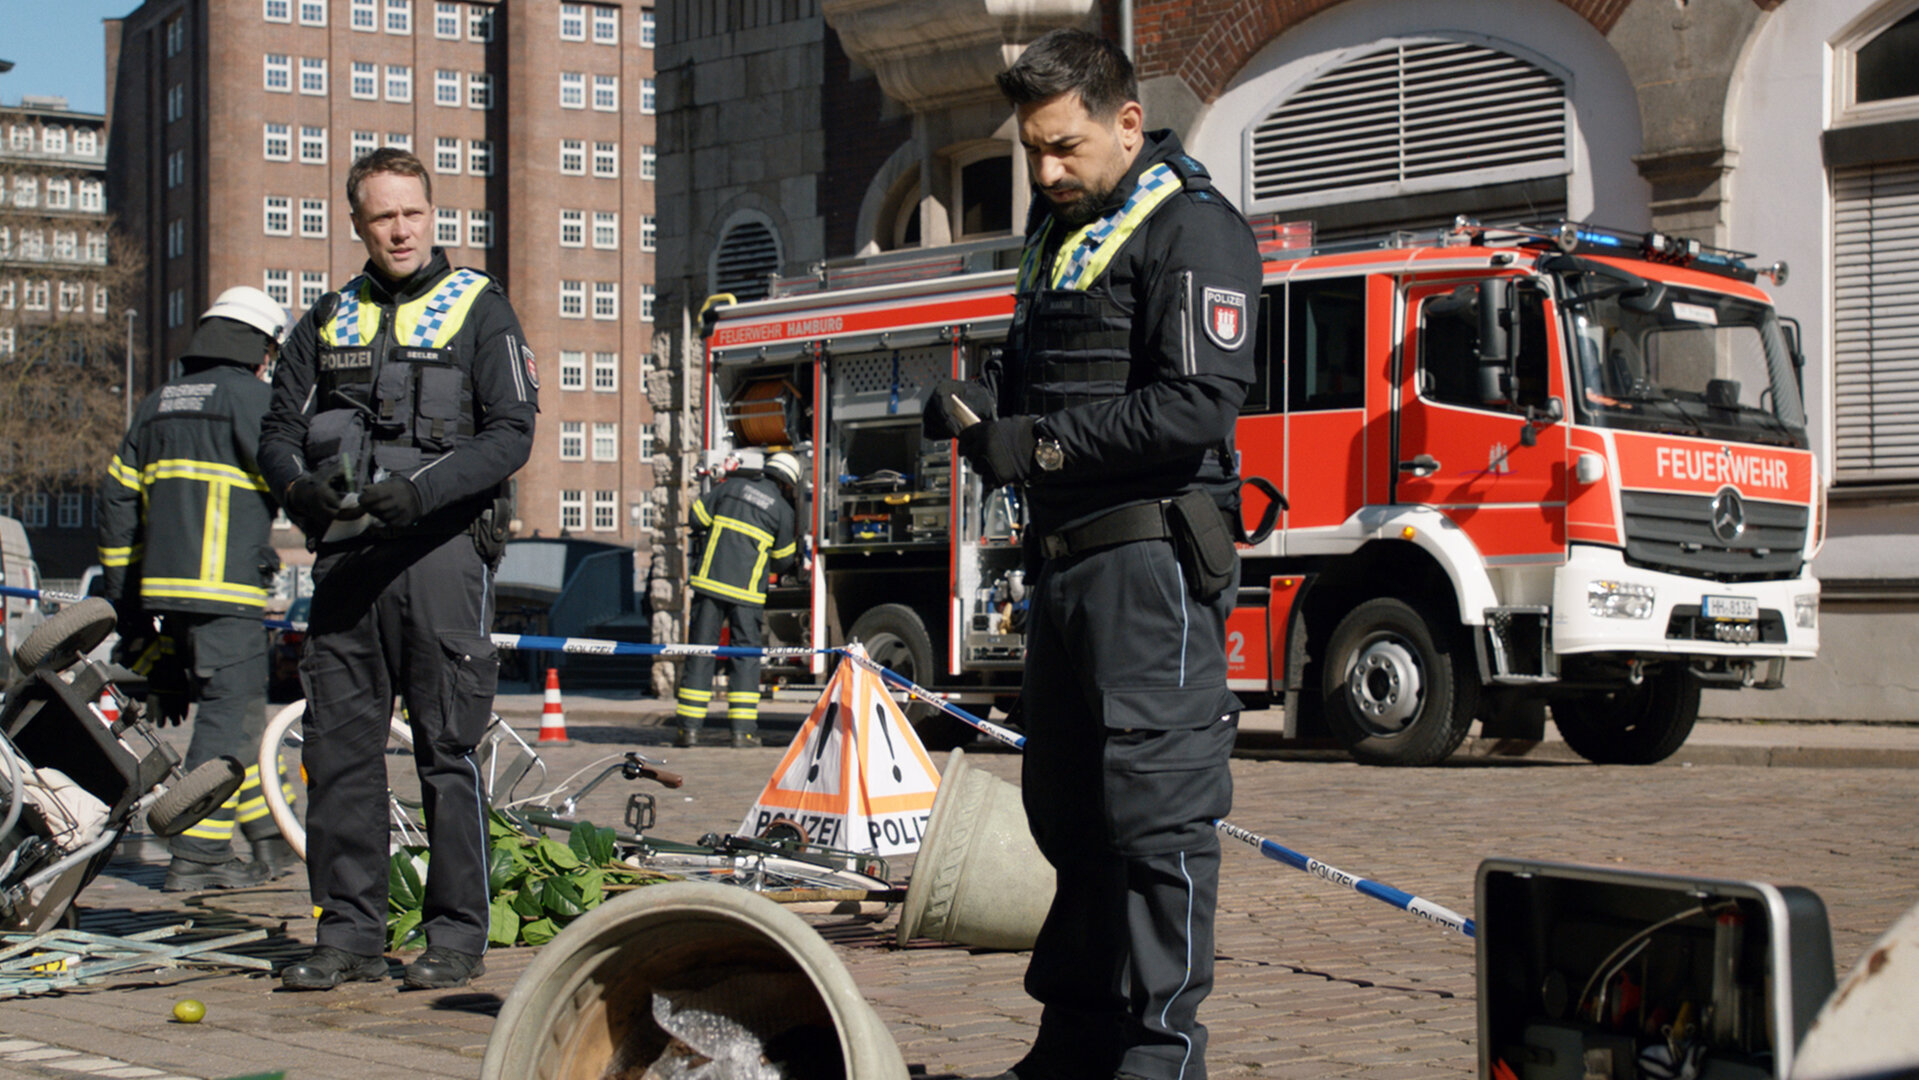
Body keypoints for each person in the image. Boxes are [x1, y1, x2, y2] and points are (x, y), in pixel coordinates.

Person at [921, 29, 1261, 1080]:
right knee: (1068, 815)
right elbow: (1047, 372)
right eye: (1031, 150)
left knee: (1157, 823)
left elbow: (1197, 404)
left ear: (1126, 122)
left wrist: (1038, 444)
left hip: (1148, 563)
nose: (1046, 171)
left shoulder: (1195, 230)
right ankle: (1072, 1043)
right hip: (1062, 563)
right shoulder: (1055, 229)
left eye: (1063, 147)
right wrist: (989, 412)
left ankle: (1159, 1058)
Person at [257, 148, 537, 991]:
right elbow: (274, 432)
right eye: (383, 217)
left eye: (412, 212)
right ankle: (346, 935)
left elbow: (511, 431)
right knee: (339, 752)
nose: (401, 229)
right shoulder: (327, 317)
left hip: (440, 553)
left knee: (446, 752)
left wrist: (420, 495)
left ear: (430, 212)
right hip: (344, 558)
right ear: (359, 225)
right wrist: (301, 493)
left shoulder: (479, 307)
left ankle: (454, 936)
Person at [98, 286, 297, 893]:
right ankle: (199, 852)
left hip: (163, 595)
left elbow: (115, 504)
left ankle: (273, 838)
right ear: (262, 347)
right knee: (226, 720)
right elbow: (298, 482)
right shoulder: (254, 401)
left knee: (246, 719)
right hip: (227, 593)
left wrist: (127, 609)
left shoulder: (157, 404)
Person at [674, 452, 801, 748]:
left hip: (710, 584)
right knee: (745, 659)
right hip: (747, 594)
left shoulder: (730, 487)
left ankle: (688, 731)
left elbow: (696, 518)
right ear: (786, 484)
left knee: (701, 653)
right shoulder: (782, 511)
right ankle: (742, 733)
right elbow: (783, 561)